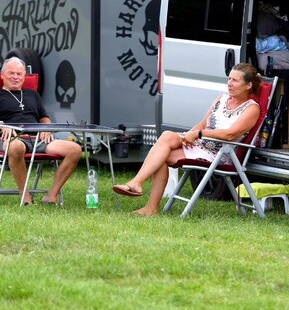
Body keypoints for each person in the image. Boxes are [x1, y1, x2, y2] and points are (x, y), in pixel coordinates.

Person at [112, 62, 262, 215]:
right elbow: (203, 124)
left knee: (163, 147)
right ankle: (147, 202)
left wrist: (198, 135)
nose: (229, 84)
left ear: (248, 85)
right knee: (165, 142)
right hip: (201, 144)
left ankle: (140, 188)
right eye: (229, 79)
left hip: (219, 154)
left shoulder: (251, 109)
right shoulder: (222, 99)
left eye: (235, 80)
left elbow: (230, 134)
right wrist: (188, 135)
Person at [0, 57, 82, 205]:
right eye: (11, 73)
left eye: (19, 74)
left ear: (24, 76)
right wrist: (1, 124)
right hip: (12, 139)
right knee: (16, 146)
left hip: (38, 139)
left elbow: (44, 118)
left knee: (75, 149)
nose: (15, 77)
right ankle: (25, 196)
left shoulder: (32, 94)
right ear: (2, 75)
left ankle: (50, 196)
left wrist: (46, 127)